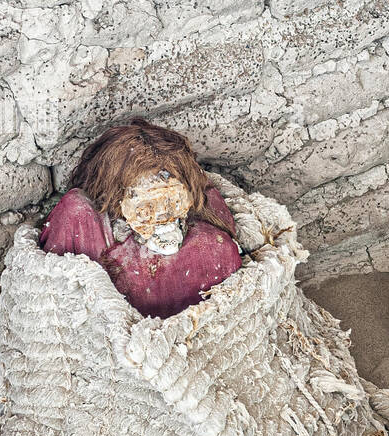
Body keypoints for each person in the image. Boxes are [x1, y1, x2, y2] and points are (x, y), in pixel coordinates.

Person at [39, 119, 243, 319]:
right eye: (147, 207)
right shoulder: (80, 217)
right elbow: (55, 296)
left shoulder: (213, 247)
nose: (164, 217)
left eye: (173, 201)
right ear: (116, 202)